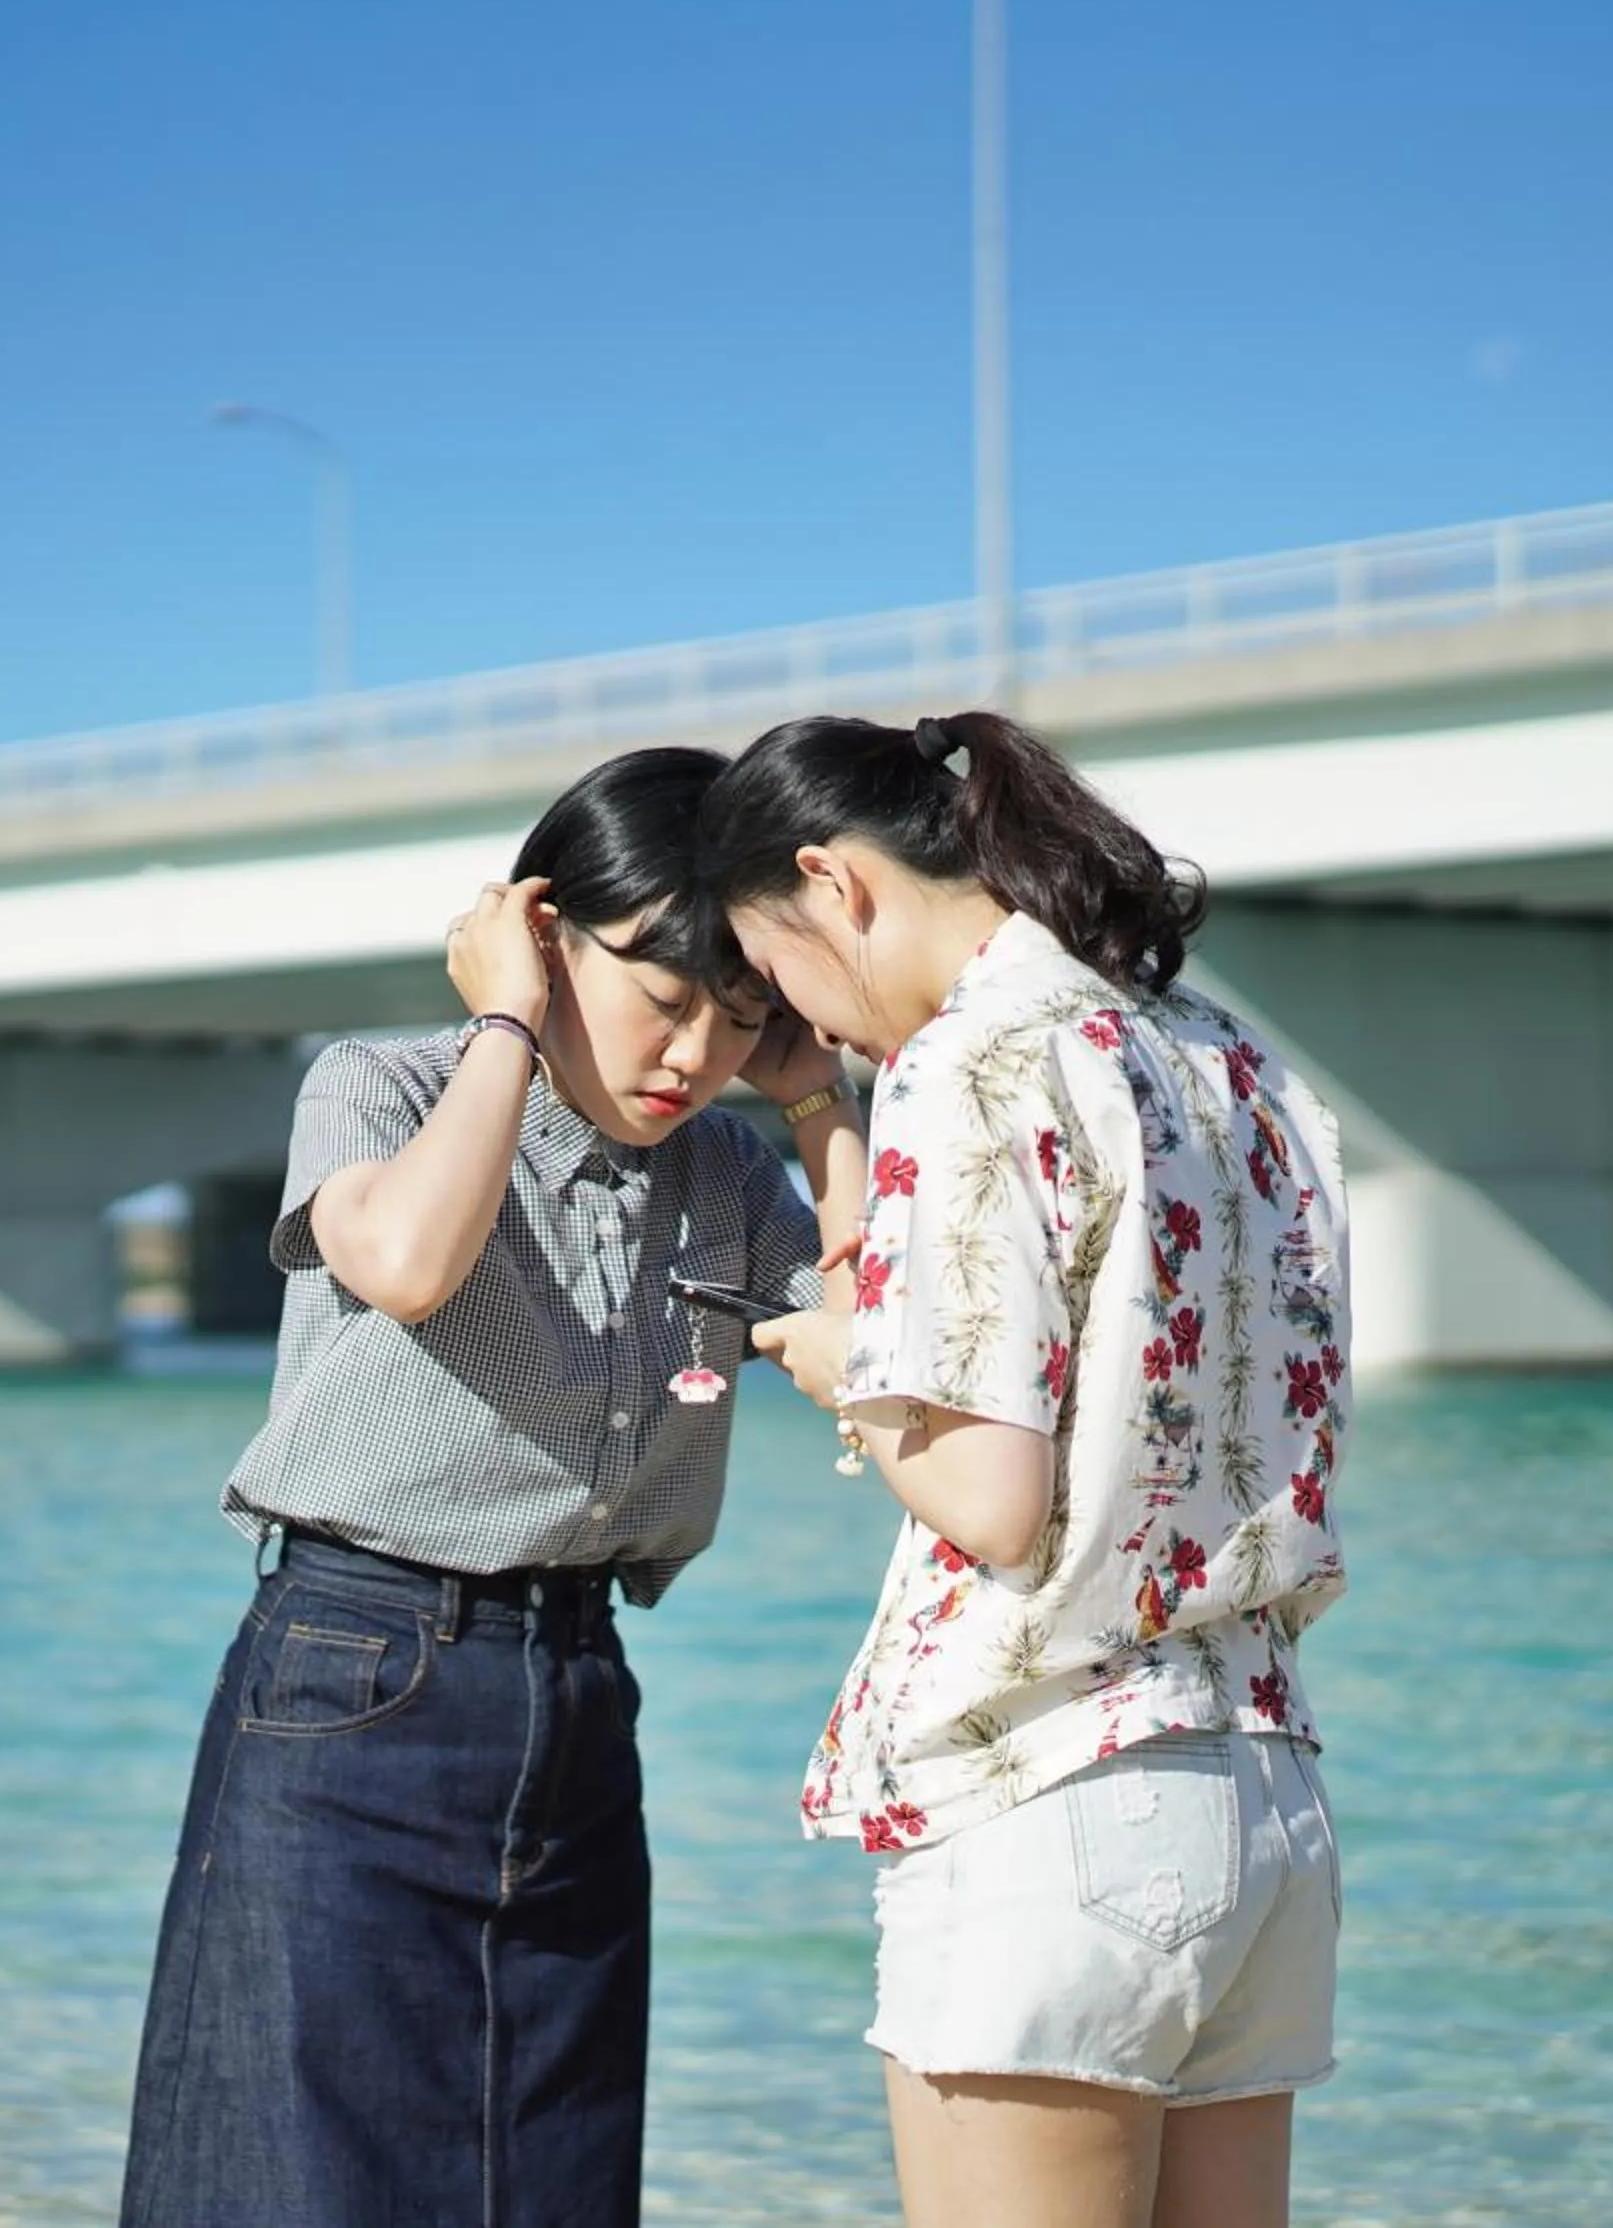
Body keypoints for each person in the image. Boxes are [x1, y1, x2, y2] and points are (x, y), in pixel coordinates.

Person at [118, 746, 867, 2228]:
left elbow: (885, 1337)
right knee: (293, 2177)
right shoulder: (381, 1085)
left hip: (579, 1694)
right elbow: (406, 1263)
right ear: (541, 933)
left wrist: (818, 1108)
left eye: (738, 1021)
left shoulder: (725, 1171)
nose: (692, 1058)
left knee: (555, 2177)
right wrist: (505, 1026)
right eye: (664, 1002)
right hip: (354, 1683)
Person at [698, 711, 1351, 2228]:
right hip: (1261, 1786)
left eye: (773, 964)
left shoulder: (970, 1061)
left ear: (831, 882)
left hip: (1056, 1789)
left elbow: (993, 1497)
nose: (799, 1016)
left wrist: (845, 1368)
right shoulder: (1222, 1052)